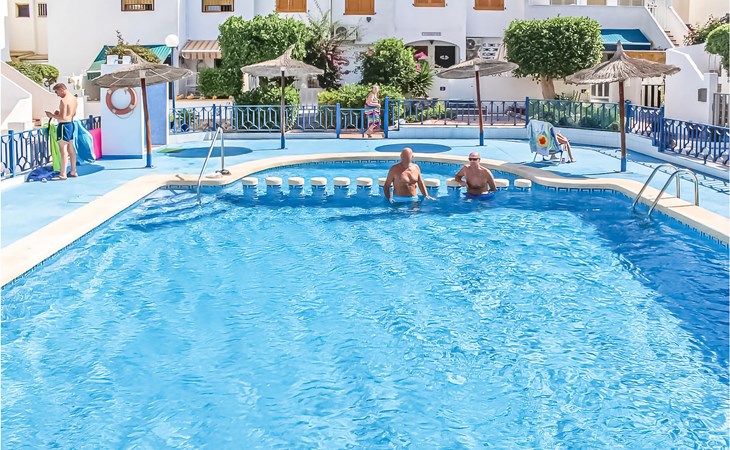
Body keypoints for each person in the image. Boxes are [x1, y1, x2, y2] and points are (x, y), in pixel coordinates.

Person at [45, 83, 78, 180]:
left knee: (63, 150)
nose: (57, 94)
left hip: (63, 126)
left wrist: (51, 115)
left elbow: (62, 117)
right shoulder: (74, 99)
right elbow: (73, 114)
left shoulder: (63, 101)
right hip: (71, 124)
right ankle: (73, 171)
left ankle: (63, 173)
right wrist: (59, 114)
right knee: (71, 149)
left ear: (62, 89)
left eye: (57, 92)